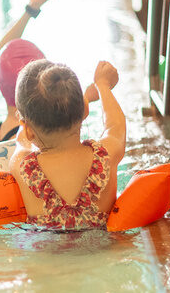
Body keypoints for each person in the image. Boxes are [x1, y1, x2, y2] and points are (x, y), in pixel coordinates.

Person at [9, 60, 125, 231]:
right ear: (85, 111)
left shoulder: (23, 165)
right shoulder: (105, 154)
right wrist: (103, 85)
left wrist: (25, 123)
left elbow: (22, 139)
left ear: (28, 129)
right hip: (104, 251)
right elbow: (115, 126)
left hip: (45, 255)